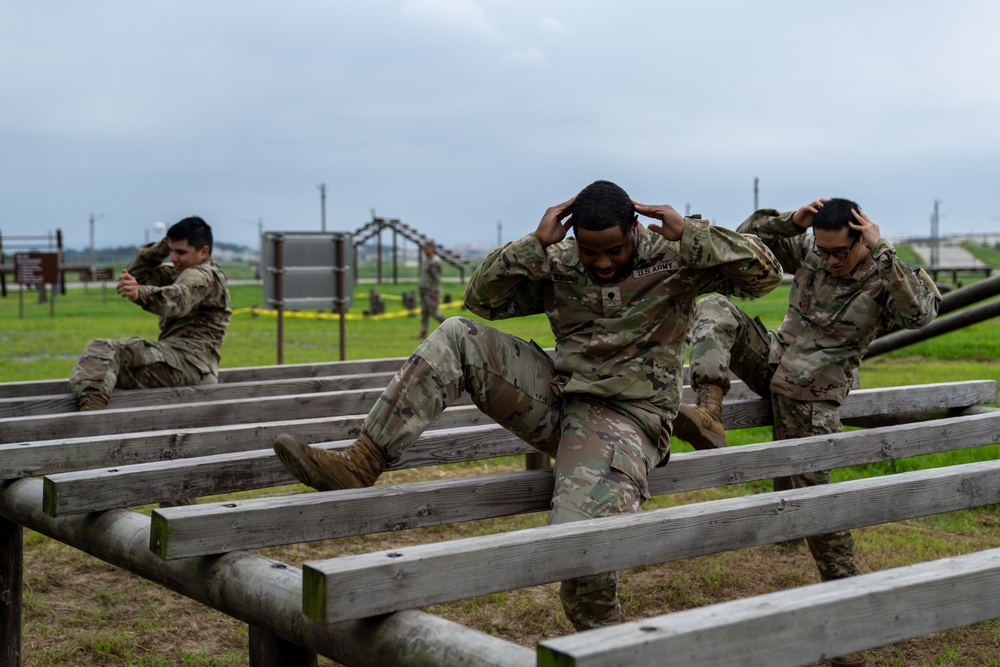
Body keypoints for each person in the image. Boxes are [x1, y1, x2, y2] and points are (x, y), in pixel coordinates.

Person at [272, 179, 782, 631]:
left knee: (577, 556)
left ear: (635, 228)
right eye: (590, 252)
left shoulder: (677, 259)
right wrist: (532, 245)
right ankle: (362, 462)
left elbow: (763, 276)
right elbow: (482, 300)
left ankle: (607, 643)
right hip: (560, 398)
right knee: (458, 336)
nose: (602, 263)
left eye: (614, 251)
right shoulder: (558, 260)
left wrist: (693, 234)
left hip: (628, 416)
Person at [673, 198, 941, 667]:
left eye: (841, 252)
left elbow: (921, 314)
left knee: (817, 509)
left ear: (863, 236)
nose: (831, 260)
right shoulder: (815, 250)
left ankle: (847, 621)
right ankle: (709, 409)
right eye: (824, 250)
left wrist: (884, 252)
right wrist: (787, 223)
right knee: (715, 305)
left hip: (813, 394)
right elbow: (746, 248)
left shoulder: (886, 272)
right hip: (774, 360)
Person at [69, 216, 232, 411]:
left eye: (180, 252)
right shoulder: (180, 272)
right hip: (183, 364)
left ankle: (91, 419)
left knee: (104, 350)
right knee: (101, 371)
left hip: (188, 364)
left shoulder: (202, 275)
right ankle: (92, 411)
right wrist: (163, 246)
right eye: (170, 251)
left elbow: (178, 299)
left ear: (204, 252)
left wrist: (141, 294)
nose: (173, 258)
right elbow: (137, 276)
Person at [417, 242, 446, 338]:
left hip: (431, 292)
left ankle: (450, 327)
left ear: (433, 249)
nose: (425, 251)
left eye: (427, 248)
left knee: (434, 313)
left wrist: (435, 291)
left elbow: (437, 278)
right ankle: (423, 333)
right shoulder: (427, 260)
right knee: (424, 313)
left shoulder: (435, 261)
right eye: (424, 249)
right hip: (424, 291)